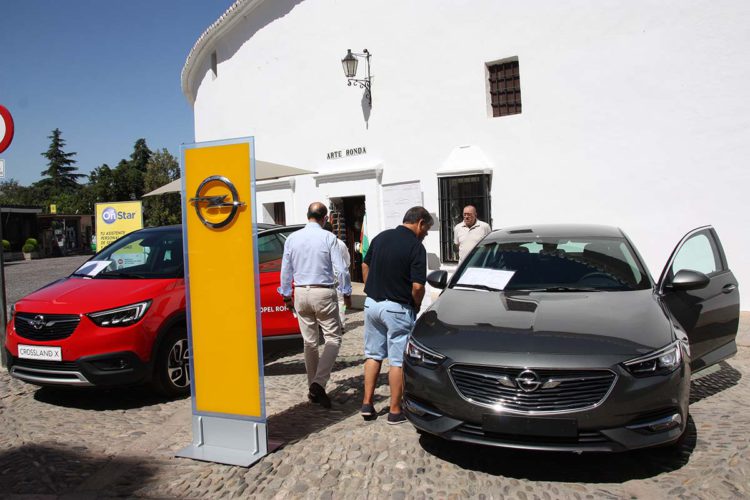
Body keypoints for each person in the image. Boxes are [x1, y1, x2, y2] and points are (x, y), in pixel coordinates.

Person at [360, 206, 433, 424]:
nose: (426, 234)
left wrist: (369, 287)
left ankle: (366, 403)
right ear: (420, 223)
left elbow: (365, 263)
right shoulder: (416, 247)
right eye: (426, 229)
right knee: (397, 361)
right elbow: (418, 286)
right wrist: (416, 304)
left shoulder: (381, 237)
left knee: (373, 355)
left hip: (372, 304)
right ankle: (394, 410)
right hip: (397, 308)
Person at [279, 202, 352, 408]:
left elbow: (286, 270)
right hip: (323, 291)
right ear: (325, 218)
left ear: (307, 215)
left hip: (301, 291)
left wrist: (286, 295)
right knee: (333, 338)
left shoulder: (292, 238)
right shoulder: (329, 237)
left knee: (309, 342)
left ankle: (313, 387)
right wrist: (346, 292)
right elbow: (342, 270)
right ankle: (318, 384)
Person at [324, 222, 351, 331]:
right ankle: (341, 324)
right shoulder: (341, 243)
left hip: (326, 277)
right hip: (339, 276)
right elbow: (347, 261)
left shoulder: (321, 242)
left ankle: (330, 325)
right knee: (340, 302)